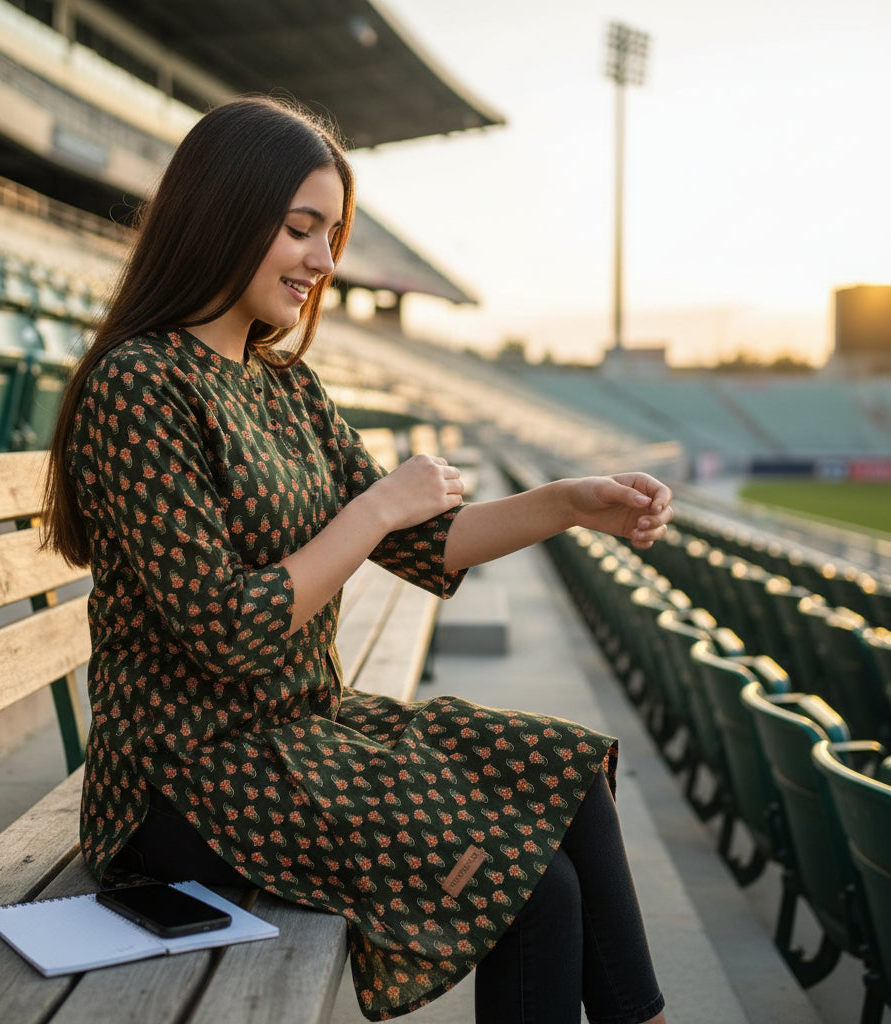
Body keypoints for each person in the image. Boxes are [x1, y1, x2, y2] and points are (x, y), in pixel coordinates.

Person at [42, 95, 671, 1024]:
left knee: (565, 778)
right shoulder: (139, 385)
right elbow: (227, 628)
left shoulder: (283, 381)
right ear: (223, 213)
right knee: (527, 887)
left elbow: (424, 540)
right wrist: (375, 508)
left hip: (300, 731)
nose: (324, 262)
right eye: (301, 230)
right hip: (183, 780)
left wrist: (567, 505)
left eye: (330, 236)